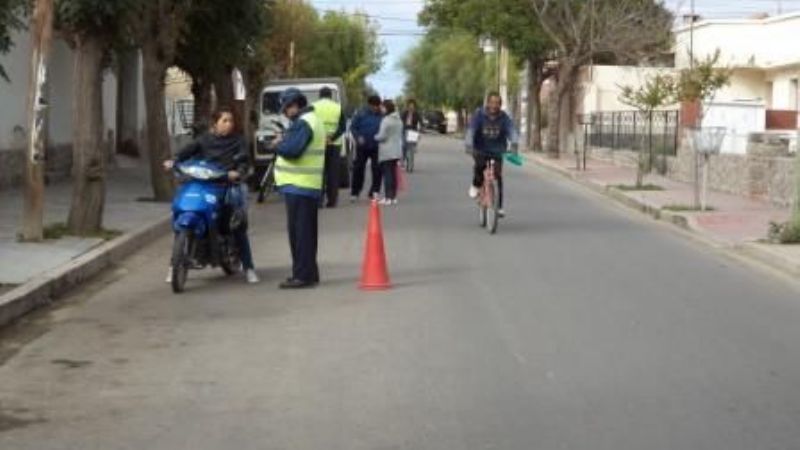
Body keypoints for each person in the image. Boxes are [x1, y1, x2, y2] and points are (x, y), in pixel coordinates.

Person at [163, 107, 259, 284]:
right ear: (215, 123)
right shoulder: (204, 140)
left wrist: (238, 172)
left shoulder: (238, 141)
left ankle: (249, 267)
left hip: (227, 185)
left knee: (236, 224)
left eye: (231, 120)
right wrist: (174, 160)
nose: (229, 124)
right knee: (182, 213)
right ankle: (173, 265)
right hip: (204, 183)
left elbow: (244, 160)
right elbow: (187, 151)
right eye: (224, 120)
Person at [270, 88, 327, 289]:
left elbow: (293, 150)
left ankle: (302, 276)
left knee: (300, 234)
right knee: (307, 233)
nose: (286, 113)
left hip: (299, 186)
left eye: (286, 109)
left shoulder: (304, 122)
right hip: (306, 185)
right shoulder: (312, 120)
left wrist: (277, 144)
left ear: (294, 105)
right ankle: (309, 273)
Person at [465, 92, 519, 217]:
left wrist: (514, 144)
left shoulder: (504, 118)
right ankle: (476, 185)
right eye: (492, 102)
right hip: (480, 149)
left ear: (500, 105)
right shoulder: (479, 115)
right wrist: (468, 144)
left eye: (497, 103)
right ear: (487, 103)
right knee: (479, 166)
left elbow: (511, 130)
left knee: (498, 177)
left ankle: (499, 207)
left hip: (497, 151)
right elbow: (471, 130)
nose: (494, 105)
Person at [313, 87, 346, 208]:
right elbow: (342, 127)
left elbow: (310, 125)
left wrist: (321, 137)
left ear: (320, 95)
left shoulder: (313, 107)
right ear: (330, 96)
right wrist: (331, 138)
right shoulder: (337, 108)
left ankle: (318, 201)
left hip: (318, 144)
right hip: (334, 144)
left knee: (319, 173)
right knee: (333, 173)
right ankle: (332, 201)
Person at [349, 95, 383, 202]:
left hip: (376, 146)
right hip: (362, 146)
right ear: (369, 105)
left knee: (377, 170)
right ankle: (355, 192)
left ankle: (374, 192)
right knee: (358, 168)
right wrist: (358, 136)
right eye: (373, 106)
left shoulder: (382, 115)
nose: (375, 108)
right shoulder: (361, 113)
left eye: (377, 106)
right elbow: (353, 127)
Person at [374, 99, 403, 205]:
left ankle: (387, 197)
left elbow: (382, 136)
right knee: (393, 174)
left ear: (386, 108)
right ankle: (393, 197)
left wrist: (375, 137)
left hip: (387, 150)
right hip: (396, 150)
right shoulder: (399, 120)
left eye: (382, 107)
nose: (381, 109)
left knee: (387, 175)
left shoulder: (386, 120)